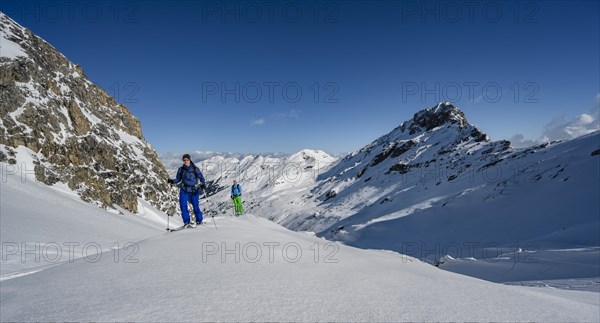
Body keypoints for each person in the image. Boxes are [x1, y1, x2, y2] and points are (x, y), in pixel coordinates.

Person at [168, 153, 207, 227]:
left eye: (187, 160)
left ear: (190, 160)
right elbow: (178, 179)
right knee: (183, 205)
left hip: (194, 190)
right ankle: (187, 222)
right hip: (184, 189)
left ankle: (199, 221)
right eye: (184, 160)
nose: (186, 161)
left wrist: (203, 184)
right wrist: (172, 181)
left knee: (195, 206)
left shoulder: (195, 169)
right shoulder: (181, 169)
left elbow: (201, 177)